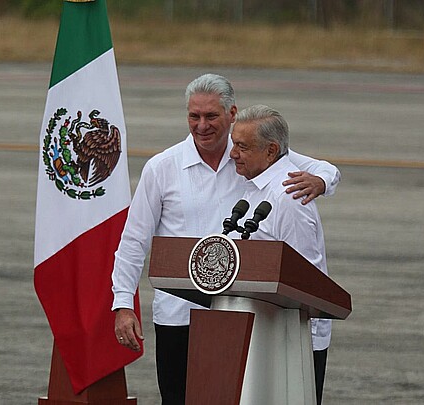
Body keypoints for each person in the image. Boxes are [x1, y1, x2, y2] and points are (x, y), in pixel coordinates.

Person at [112, 74, 340, 405]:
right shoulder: (163, 167)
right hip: (179, 314)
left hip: (241, 314)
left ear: (232, 114)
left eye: (211, 116)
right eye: (194, 116)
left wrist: (319, 182)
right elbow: (134, 240)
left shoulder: (251, 153)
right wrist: (122, 303)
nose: (202, 125)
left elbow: (324, 169)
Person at [229, 104, 332, 404]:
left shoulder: (288, 197)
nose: (233, 153)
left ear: (271, 151)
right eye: (234, 144)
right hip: (260, 332)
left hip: (291, 341)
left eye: (242, 146)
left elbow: (306, 280)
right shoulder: (255, 186)